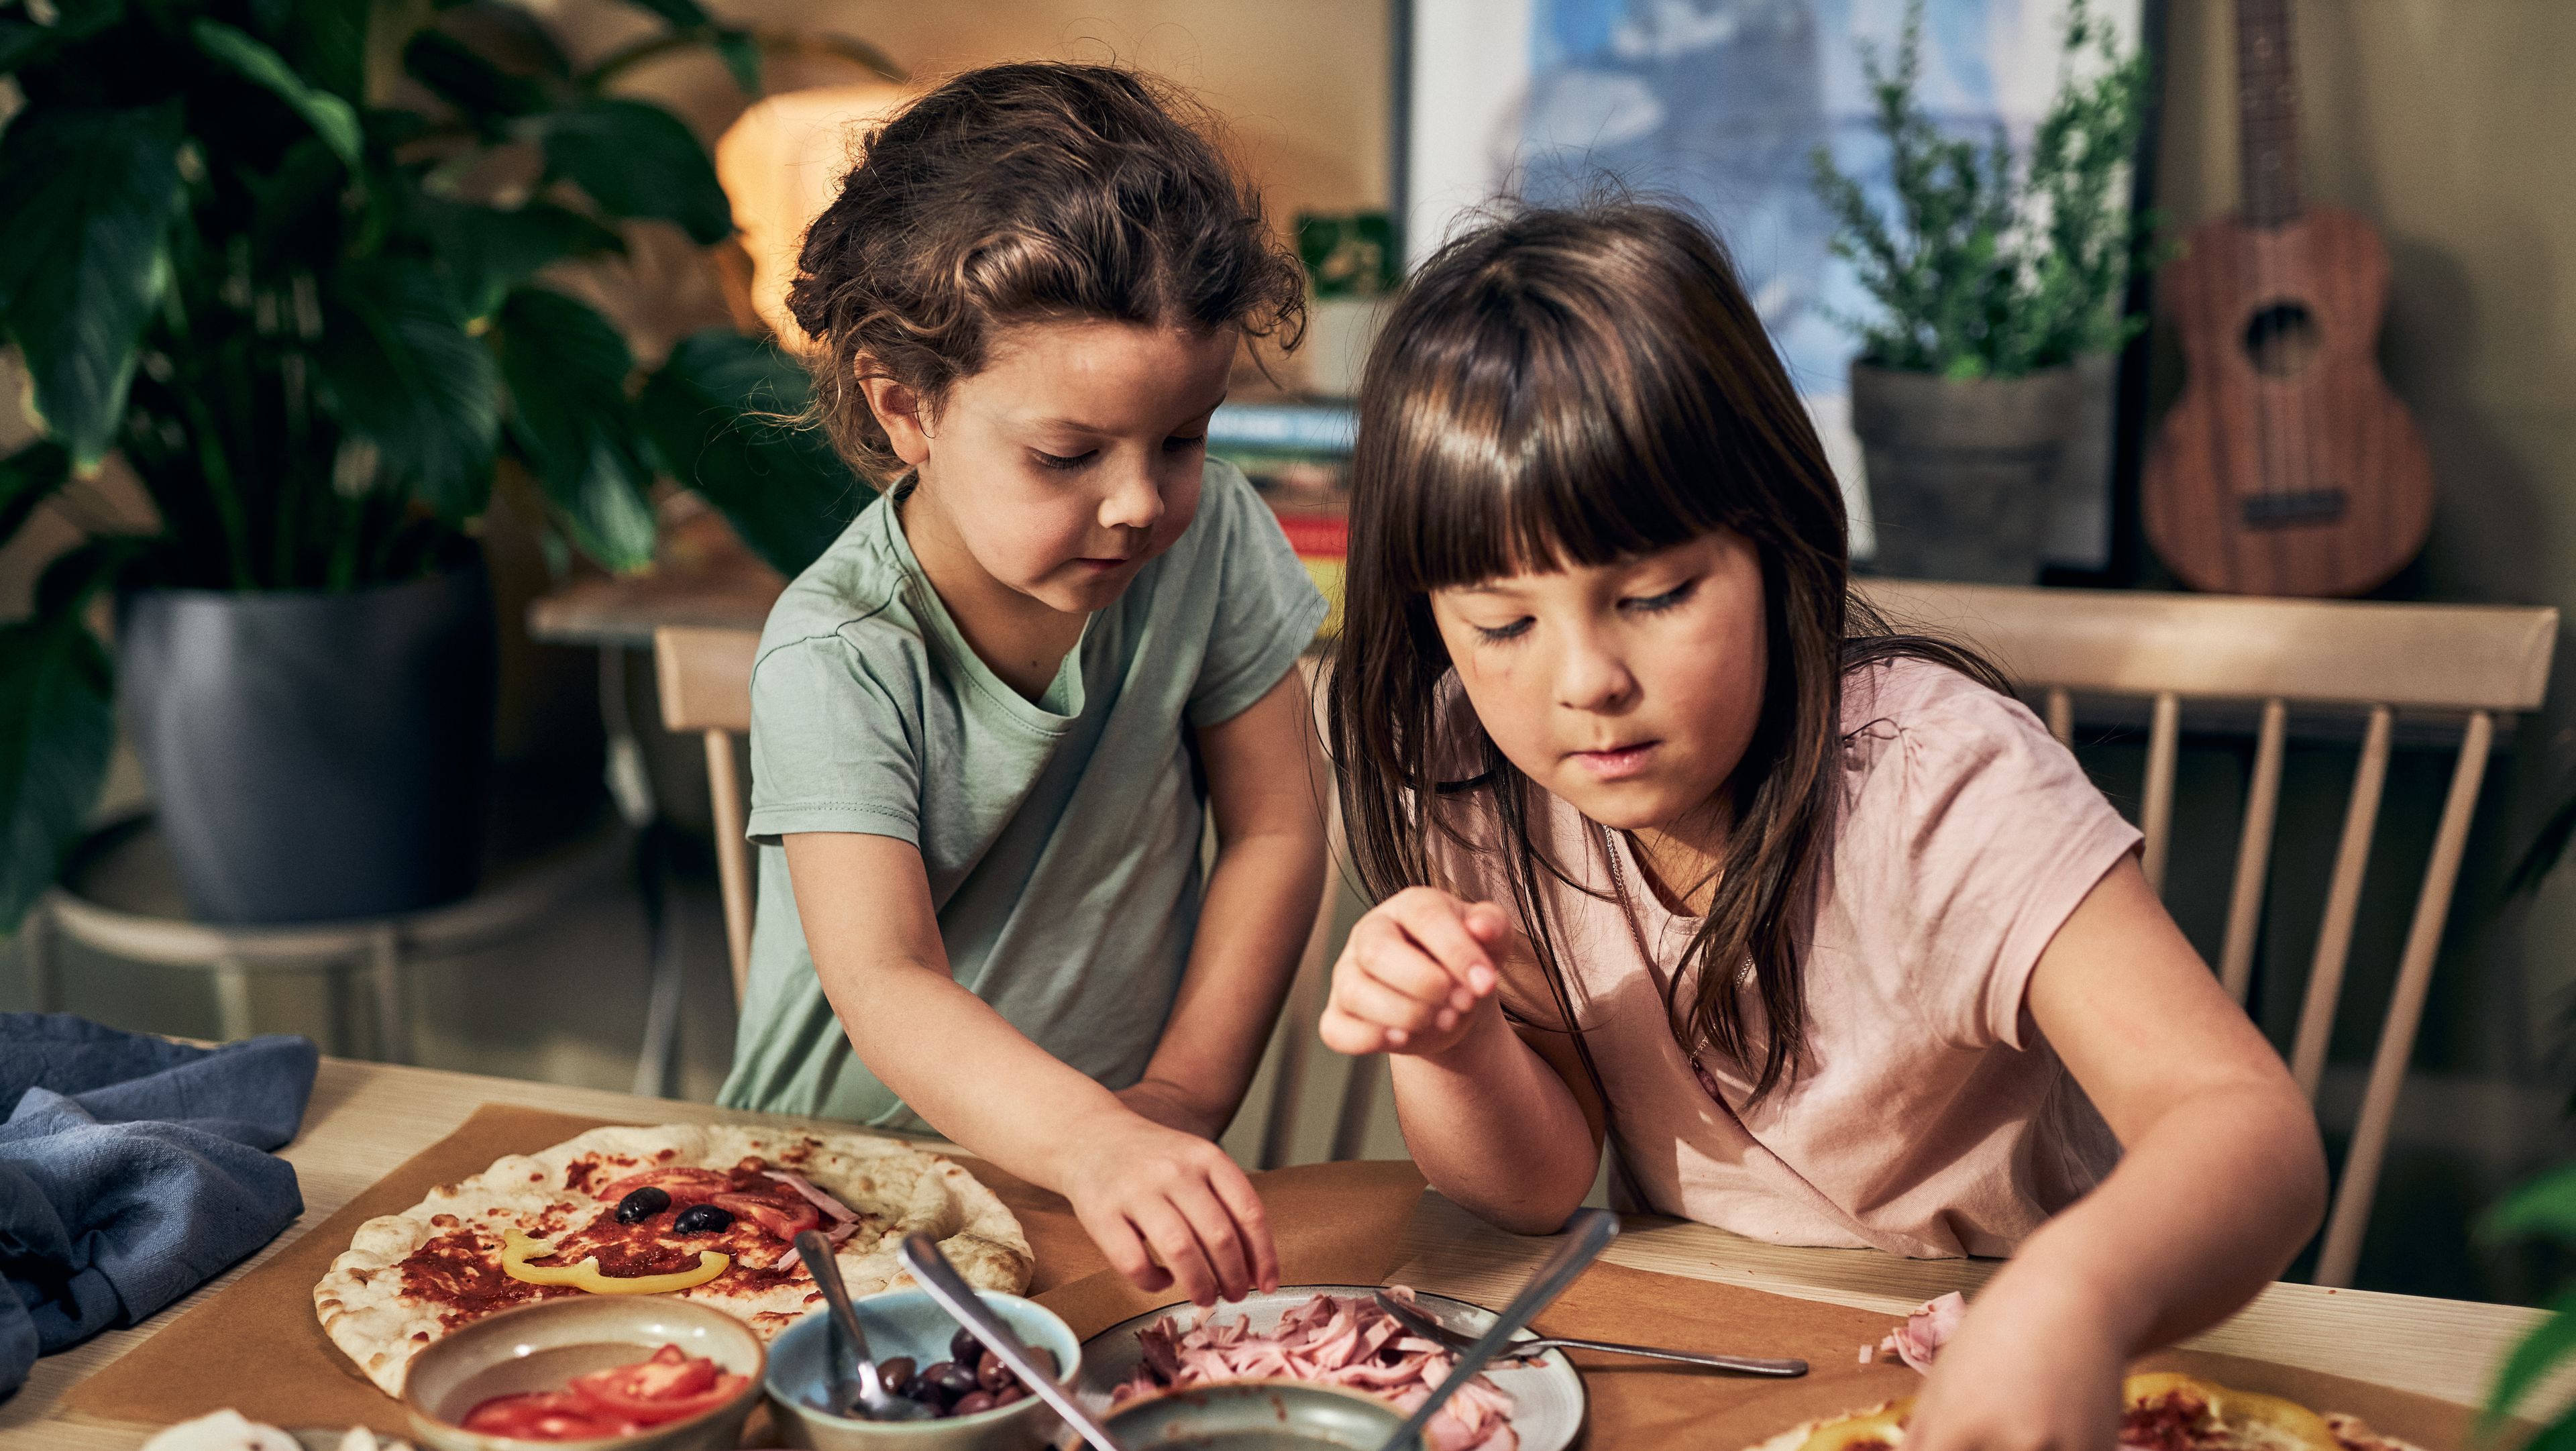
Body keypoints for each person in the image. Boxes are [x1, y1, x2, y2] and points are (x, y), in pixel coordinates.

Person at [1320, 202, 2326, 1448]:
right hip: (1711, 1351)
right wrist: (1456, 1045)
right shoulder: (1483, 777)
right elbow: (1533, 1190)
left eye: (1657, 594)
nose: (1585, 682)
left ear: (1774, 540)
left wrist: (2071, 1300)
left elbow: (2249, 1129)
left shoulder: (1936, 784)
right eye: (1503, 623)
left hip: (2018, 1370)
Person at [720, 62, 1331, 1308]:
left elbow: (1275, 831)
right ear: (907, 408)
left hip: (1091, 1186)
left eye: (1185, 437)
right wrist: (1096, 1136)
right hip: (827, 1203)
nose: (1138, 501)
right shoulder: (838, 649)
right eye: (1067, 455)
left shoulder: (1208, 544)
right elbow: (887, 976)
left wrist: (1171, 1106)